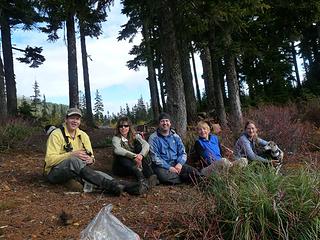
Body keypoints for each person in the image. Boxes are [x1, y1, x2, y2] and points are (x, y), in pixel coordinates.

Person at [44, 108, 142, 196]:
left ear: (80, 121)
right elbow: (49, 161)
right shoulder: (56, 135)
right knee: (73, 161)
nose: (75, 121)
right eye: (72, 118)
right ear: (66, 119)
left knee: (98, 174)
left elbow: (92, 158)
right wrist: (71, 154)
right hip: (54, 172)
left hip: (77, 171)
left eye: (77, 119)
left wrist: (90, 160)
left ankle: (130, 187)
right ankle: (110, 186)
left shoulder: (83, 136)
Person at [148, 113, 202, 184]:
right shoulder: (153, 138)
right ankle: (185, 178)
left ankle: (201, 180)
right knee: (163, 176)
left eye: (167, 121)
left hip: (176, 164)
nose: (165, 123)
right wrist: (169, 167)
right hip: (162, 167)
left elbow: (182, 153)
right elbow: (155, 157)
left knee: (193, 171)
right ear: (159, 124)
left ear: (170, 123)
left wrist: (179, 164)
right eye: (162, 121)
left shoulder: (176, 137)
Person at [112, 116, 158, 189]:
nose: (123, 128)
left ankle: (150, 176)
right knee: (121, 155)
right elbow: (117, 150)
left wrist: (141, 155)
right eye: (121, 126)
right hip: (122, 167)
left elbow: (146, 145)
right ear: (118, 128)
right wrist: (134, 156)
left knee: (139, 146)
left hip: (134, 163)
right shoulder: (116, 138)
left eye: (126, 126)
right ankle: (141, 179)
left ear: (129, 127)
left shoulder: (135, 136)